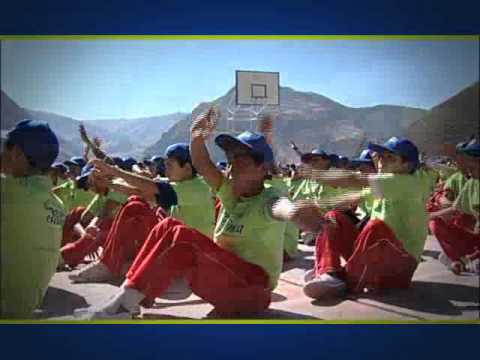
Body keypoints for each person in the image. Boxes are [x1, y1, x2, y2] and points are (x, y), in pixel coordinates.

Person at [73, 108, 328, 319]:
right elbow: (203, 163)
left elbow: (282, 208)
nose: (233, 167)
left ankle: (121, 306)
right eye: (231, 160)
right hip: (223, 278)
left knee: (181, 234)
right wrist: (196, 136)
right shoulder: (230, 193)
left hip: (252, 290)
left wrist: (300, 214)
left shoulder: (268, 199)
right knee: (168, 226)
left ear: (263, 168)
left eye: (243, 161)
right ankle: (126, 299)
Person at [302, 136, 432, 300]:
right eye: (381, 157)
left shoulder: (406, 182)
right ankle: (330, 272)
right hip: (378, 257)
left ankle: (347, 279)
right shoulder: (386, 185)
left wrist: (319, 175)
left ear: (407, 165)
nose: (382, 162)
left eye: (390, 158)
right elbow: (353, 198)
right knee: (333, 217)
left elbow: (354, 180)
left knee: (376, 227)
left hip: (400, 266)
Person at [68, 142, 216, 283]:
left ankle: (109, 264)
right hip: (176, 245)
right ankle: (111, 263)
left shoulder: (197, 188)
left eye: (169, 165)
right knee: (135, 203)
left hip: (189, 254)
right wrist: (108, 183)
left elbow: (148, 186)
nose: (165, 169)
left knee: (134, 208)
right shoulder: (182, 183)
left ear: (188, 168)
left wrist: (113, 171)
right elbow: (142, 192)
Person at [1, 120, 65, 318]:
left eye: (5, 149)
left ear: (18, 153)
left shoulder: (9, 193)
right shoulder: (57, 205)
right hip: (23, 306)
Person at [59, 164, 130, 268]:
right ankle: (62, 252)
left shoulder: (118, 186)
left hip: (129, 237)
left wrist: (88, 233)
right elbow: (81, 220)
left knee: (103, 225)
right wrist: (84, 234)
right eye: (88, 184)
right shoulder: (101, 193)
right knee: (77, 213)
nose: (90, 187)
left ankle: (66, 256)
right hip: (112, 232)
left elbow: (103, 216)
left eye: (91, 182)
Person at [429, 141, 480, 274]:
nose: (466, 165)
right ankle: (460, 258)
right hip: (474, 238)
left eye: (471, 161)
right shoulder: (472, 183)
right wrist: (427, 216)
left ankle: (461, 259)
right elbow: (455, 208)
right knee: (435, 223)